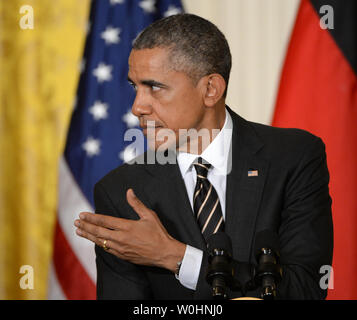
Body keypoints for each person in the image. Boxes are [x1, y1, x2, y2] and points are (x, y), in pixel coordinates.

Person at [74, 13, 333, 299]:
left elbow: (306, 290)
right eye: (136, 87)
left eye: (155, 87)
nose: (137, 107)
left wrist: (177, 257)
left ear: (210, 89)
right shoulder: (120, 192)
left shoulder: (293, 157)